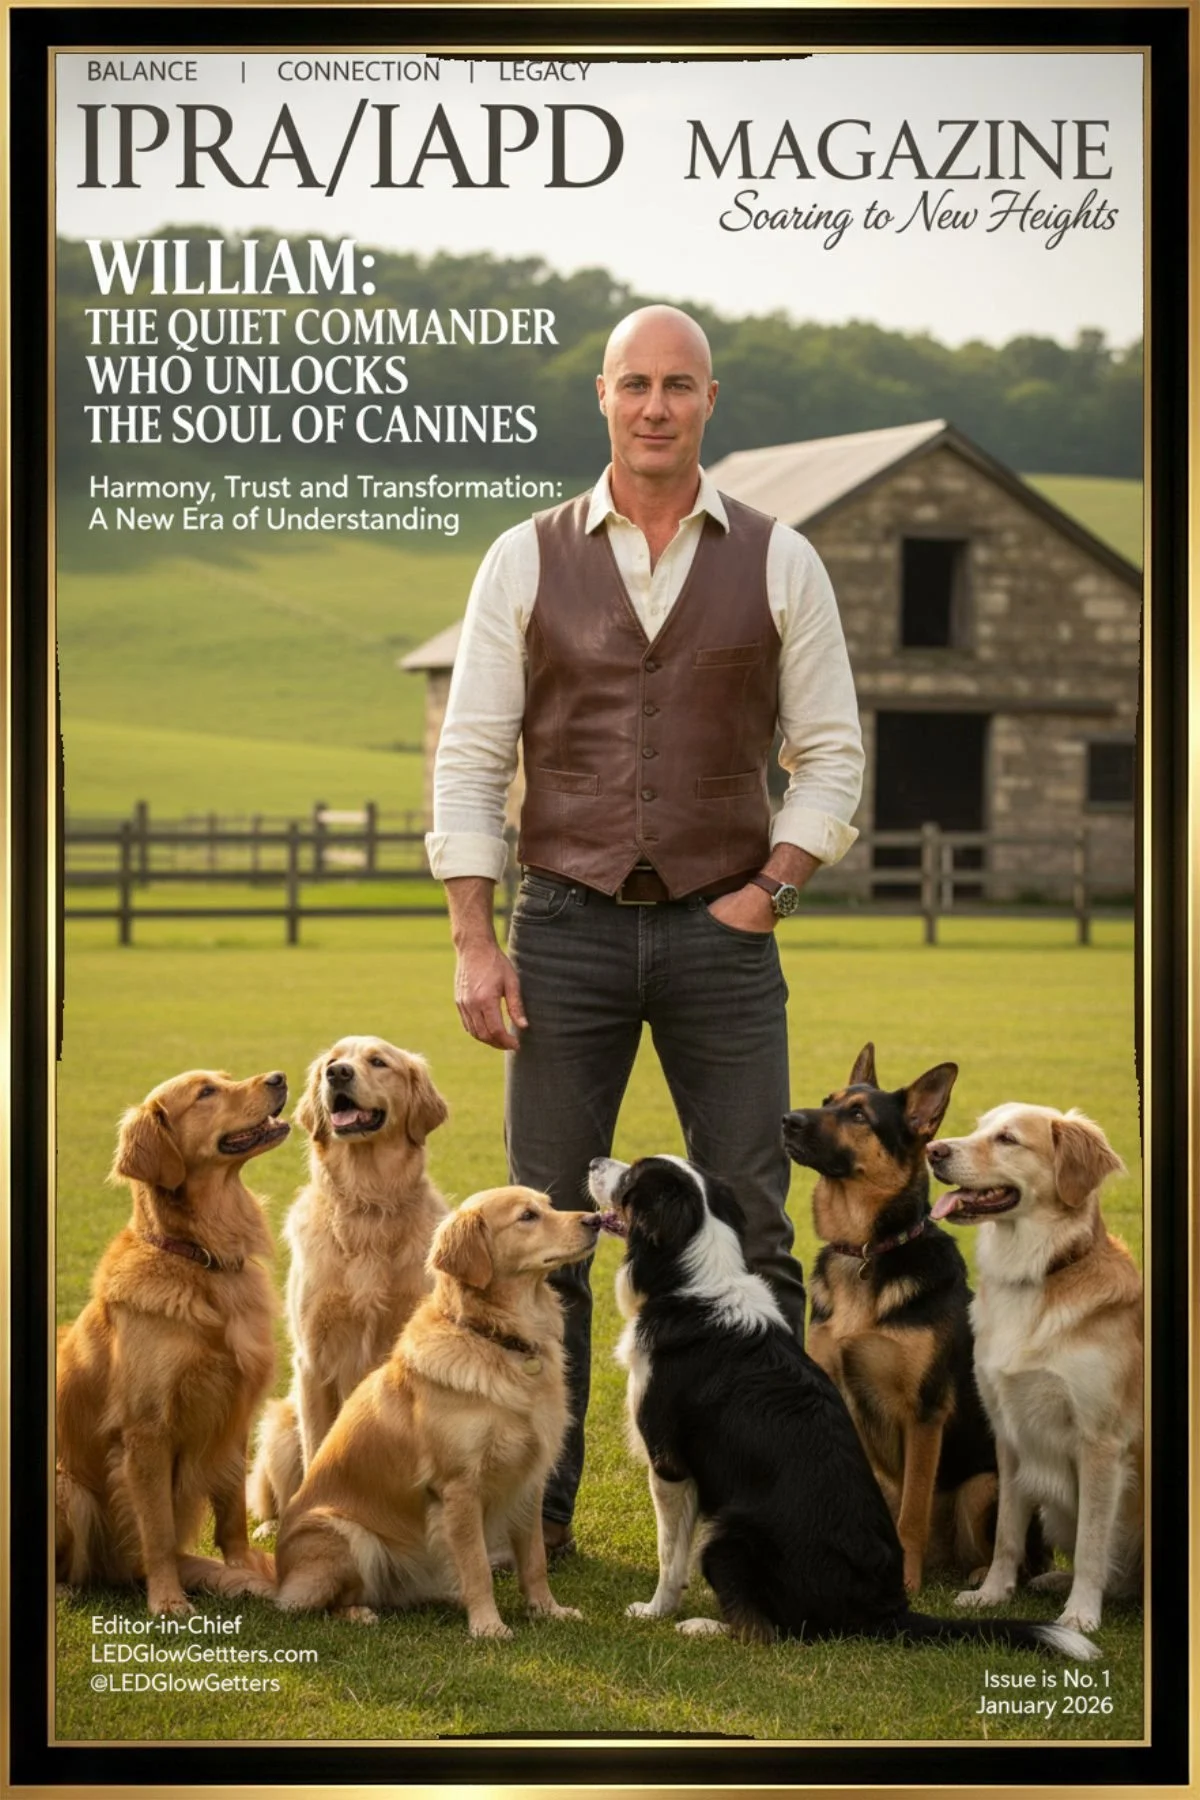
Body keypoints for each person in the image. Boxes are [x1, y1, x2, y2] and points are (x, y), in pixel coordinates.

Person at [426, 304, 864, 1554]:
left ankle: (776, 1515)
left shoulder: (784, 559)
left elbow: (830, 756)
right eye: (635, 385)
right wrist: (474, 934)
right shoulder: (526, 555)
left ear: (710, 400)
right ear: (604, 400)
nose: (657, 405)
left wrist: (771, 885)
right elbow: (471, 756)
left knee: (759, 1223)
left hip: (726, 933)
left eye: (680, 385)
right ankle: (536, 1528)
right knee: (544, 1228)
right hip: (560, 924)